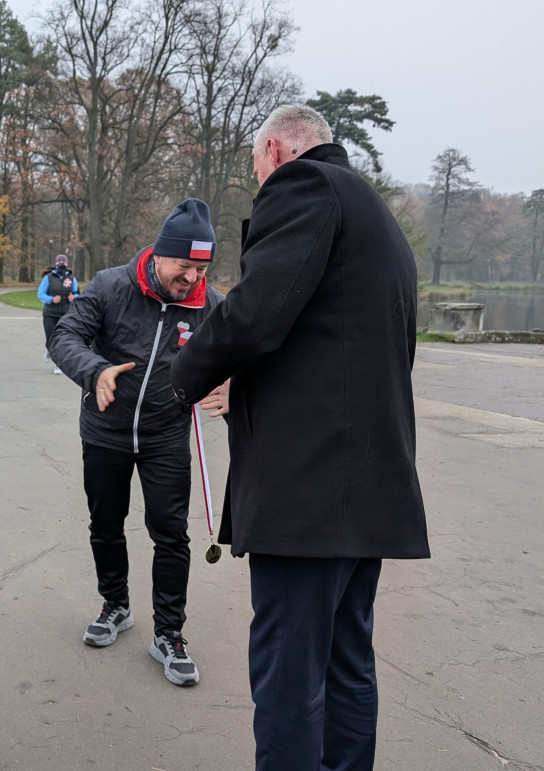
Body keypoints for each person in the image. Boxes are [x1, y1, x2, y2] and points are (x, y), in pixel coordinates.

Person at [170, 105, 429, 769]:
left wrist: (184, 377)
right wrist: (251, 387)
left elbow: (255, 311)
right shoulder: (376, 215)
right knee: (346, 664)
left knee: (288, 677)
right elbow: (336, 345)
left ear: (278, 152)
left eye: (258, 171)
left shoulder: (304, 188)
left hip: (309, 494)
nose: (260, 187)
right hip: (366, 486)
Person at [50, 199, 226, 687]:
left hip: (167, 433)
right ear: (159, 255)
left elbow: (242, 356)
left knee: (171, 533)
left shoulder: (210, 305)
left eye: (201, 268)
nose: (190, 277)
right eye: (183, 266)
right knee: (105, 523)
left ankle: (169, 633)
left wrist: (234, 382)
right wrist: (95, 370)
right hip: (105, 432)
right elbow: (64, 339)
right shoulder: (111, 286)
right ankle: (116, 605)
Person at [38, 254, 79, 375]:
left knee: (62, 340)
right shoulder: (48, 278)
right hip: (50, 314)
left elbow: (77, 293)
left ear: (67, 264)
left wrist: (74, 298)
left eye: (64, 262)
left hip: (66, 314)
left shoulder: (71, 278)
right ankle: (49, 350)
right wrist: (51, 299)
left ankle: (58, 364)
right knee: (50, 339)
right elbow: (40, 294)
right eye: (59, 261)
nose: (61, 263)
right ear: (55, 263)